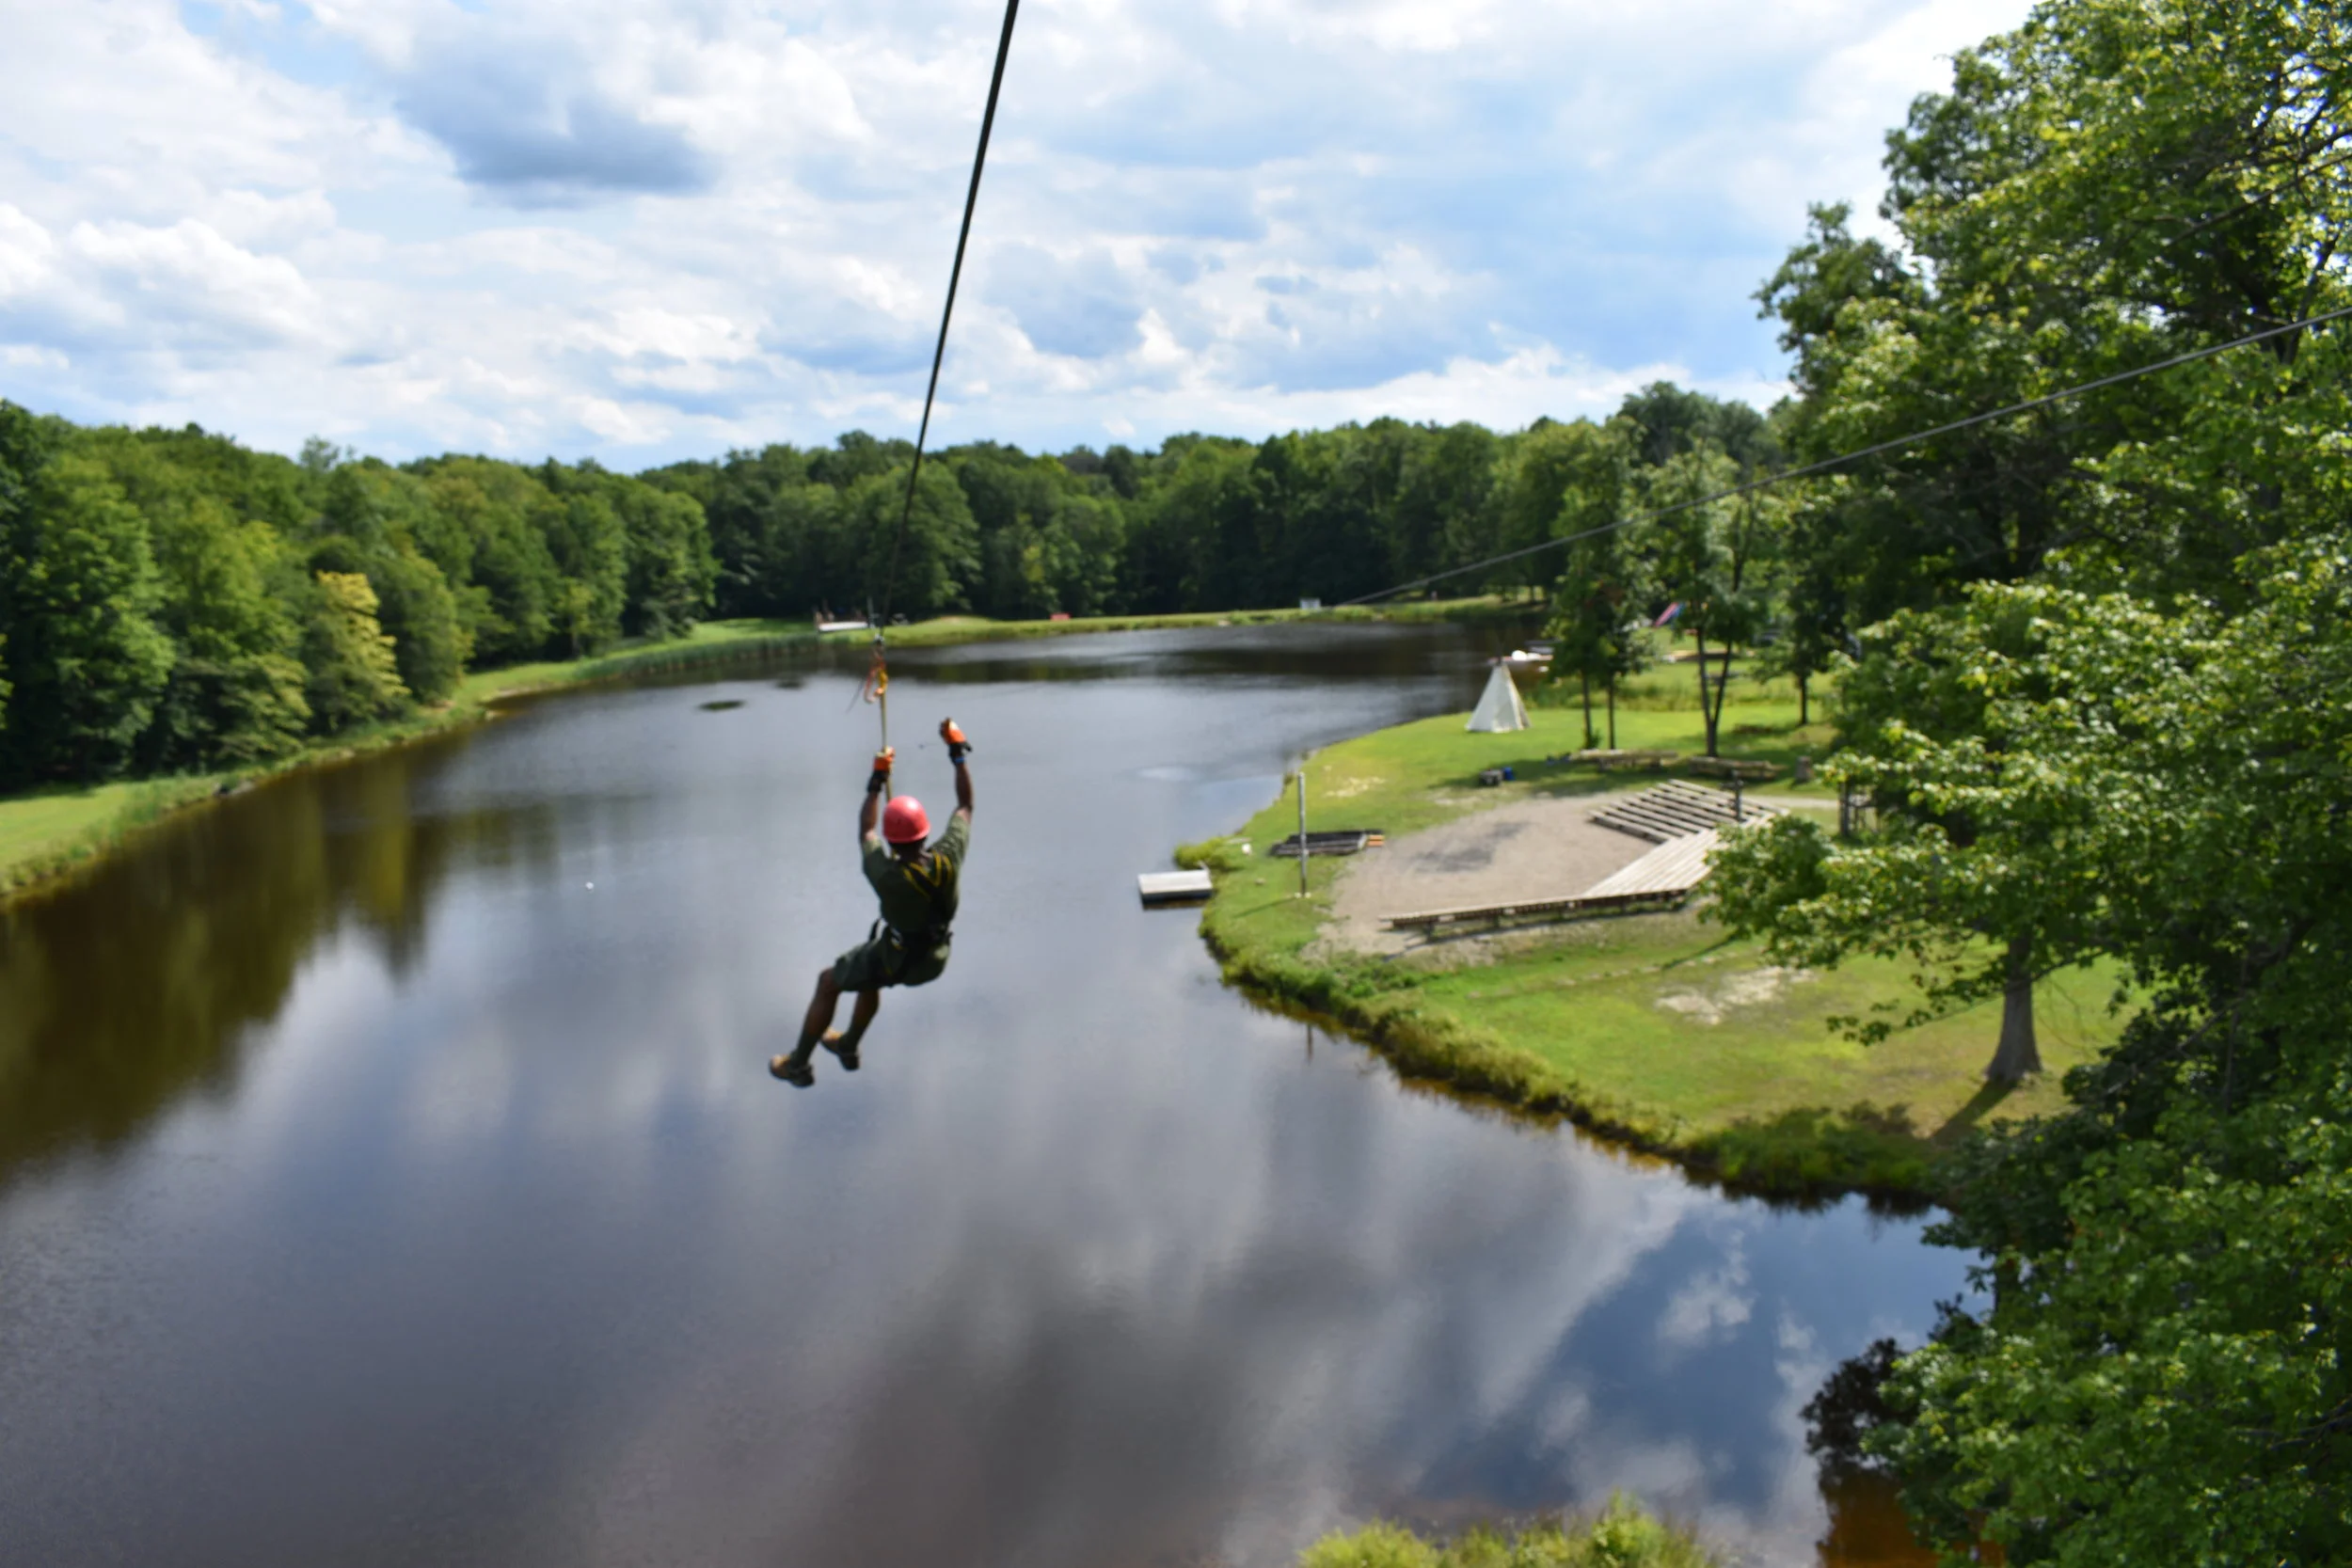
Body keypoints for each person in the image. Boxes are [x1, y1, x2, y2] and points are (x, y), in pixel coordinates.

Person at [771, 718, 973, 1085]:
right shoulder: (948, 858)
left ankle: (797, 1065)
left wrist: (876, 782)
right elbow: (965, 806)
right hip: (936, 958)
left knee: (828, 981)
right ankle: (847, 1045)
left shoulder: (887, 876)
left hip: (901, 960)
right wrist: (957, 753)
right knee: (866, 970)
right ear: (925, 833)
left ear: (892, 843)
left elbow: (866, 829)